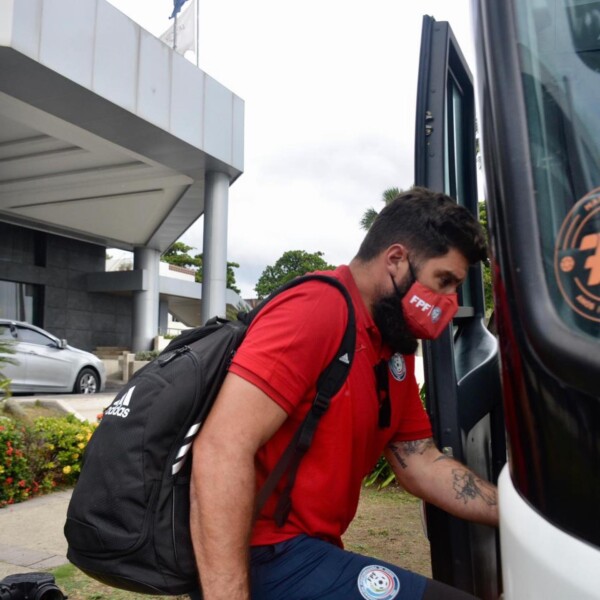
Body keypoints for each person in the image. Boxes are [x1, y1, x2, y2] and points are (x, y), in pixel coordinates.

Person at [189, 187, 498, 600]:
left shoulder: (391, 345)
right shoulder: (316, 308)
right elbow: (221, 448)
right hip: (264, 555)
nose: (448, 302)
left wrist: (515, 514)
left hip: (310, 553)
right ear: (396, 259)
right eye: (443, 282)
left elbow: (420, 461)